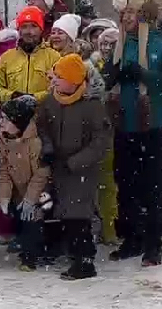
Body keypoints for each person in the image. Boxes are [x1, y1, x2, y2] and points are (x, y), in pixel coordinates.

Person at [102, 0, 162, 267]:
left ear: (144, 14)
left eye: (131, 12)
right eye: (123, 13)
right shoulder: (120, 44)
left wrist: (146, 76)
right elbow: (105, 78)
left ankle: (153, 244)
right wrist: (111, 74)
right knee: (126, 185)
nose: (125, 18)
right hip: (124, 125)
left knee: (155, 186)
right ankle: (132, 238)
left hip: (154, 125)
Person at [35, 54, 111, 280]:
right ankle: (66, 252)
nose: (54, 80)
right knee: (59, 211)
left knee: (78, 215)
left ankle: (84, 260)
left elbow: (100, 141)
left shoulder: (92, 105)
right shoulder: (51, 101)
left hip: (81, 170)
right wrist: (47, 148)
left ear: (74, 80)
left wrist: (76, 161)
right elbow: (42, 127)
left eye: (60, 76)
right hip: (58, 166)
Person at [0, 96, 50, 271]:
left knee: (35, 217)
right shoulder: (0, 140)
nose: (1, 122)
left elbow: (42, 173)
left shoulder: (35, 143)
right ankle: (25, 246)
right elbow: (3, 169)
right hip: (18, 189)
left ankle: (32, 255)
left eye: (6, 119)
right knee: (19, 216)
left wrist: (31, 199)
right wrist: (4, 196)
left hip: (42, 189)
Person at [0, 6, 62, 103]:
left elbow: (58, 88)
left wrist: (34, 98)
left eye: (34, 26)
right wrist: (13, 97)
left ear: (41, 29)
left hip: (43, 116)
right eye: (24, 26)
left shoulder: (54, 57)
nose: (29, 32)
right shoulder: (6, 58)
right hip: (13, 115)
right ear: (19, 30)